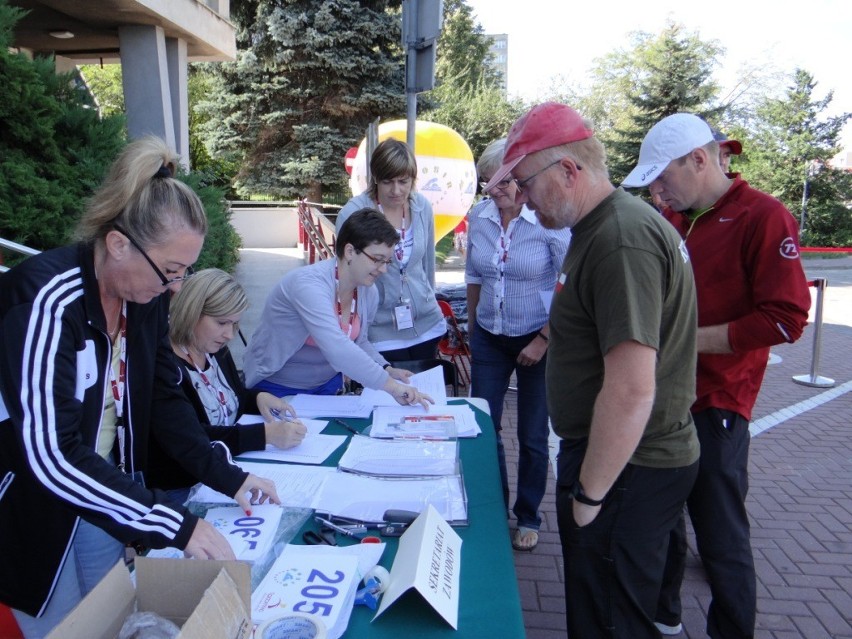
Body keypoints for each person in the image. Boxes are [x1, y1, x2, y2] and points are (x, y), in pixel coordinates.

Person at [0, 137, 279, 638]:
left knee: (115, 615)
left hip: (102, 488)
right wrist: (176, 524)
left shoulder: (142, 299)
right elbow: (51, 457)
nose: (176, 287)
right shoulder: (45, 303)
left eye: (184, 271)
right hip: (31, 505)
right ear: (118, 243)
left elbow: (163, 404)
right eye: (170, 271)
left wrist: (228, 477)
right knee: (68, 625)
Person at [485, 102, 700, 637]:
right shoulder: (604, 228)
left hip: (629, 467)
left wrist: (589, 496)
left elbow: (630, 388)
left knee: (607, 617)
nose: (526, 203)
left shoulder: (619, 239)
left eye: (527, 185)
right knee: (603, 609)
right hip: (624, 461)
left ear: (567, 171)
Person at [623, 113, 811, 638]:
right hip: (668, 397)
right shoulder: (679, 218)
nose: (658, 191)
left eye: (663, 178)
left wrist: (679, 342)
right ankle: (665, 614)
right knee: (662, 517)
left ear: (699, 161)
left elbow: (786, 317)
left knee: (721, 536)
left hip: (718, 401)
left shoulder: (763, 216)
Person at [466, 138, 571, 552]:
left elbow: (570, 284)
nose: (502, 191)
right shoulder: (480, 218)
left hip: (537, 338)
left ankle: (528, 514)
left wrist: (544, 339)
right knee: (483, 429)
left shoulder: (547, 220)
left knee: (531, 435)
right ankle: (494, 509)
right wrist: (474, 329)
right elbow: (476, 276)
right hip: (491, 336)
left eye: (509, 181)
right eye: (493, 184)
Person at [144, 268, 307, 501]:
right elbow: (189, 437)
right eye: (222, 322)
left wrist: (258, 398)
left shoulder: (215, 350)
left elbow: (232, 398)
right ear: (192, 313)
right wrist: (264, 435)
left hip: (232, 470)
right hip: (185, 487)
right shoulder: (164, 365)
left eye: (234, 324)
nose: (229, 334)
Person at [243, 208, 432, 408]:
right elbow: (336, 346)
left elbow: (359, 341)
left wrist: (386, 369)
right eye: (377, 259)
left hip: (327, 387)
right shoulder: (308, 285)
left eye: (387, 261)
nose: (383, 269)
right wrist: (392, 387)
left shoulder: (368, 291)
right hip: (276, 388)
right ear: (350, 251)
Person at [335, 139, 445, 364]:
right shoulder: (354, 213)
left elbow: (428, 266)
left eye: (403, 181)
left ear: (413, 178)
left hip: (426, 325)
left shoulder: (421, 206)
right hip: (378, 332)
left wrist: (428, 297)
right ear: (375, 179)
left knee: (425, 395)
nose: (396, 190)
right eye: (387, 182)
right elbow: (344, 277)